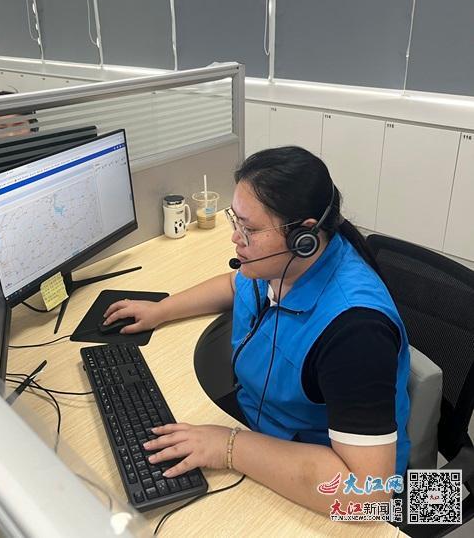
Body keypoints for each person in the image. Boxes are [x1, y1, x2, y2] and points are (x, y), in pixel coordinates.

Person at [103, 146, 410, 515]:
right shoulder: (278, 265)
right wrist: (161, 310)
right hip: (263, 431)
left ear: (304, 237)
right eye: (236, 221)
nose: (236, 238)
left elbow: (369, 494)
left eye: (249, 229)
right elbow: (236, 287)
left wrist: (228, 447)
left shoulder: (356, 332)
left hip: (333, 479)